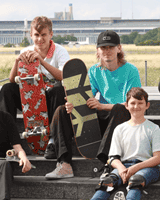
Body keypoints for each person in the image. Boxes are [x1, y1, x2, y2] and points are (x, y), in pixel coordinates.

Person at [46, 30, 142, 179]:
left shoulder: (131, 71)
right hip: (102, 118)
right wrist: (73, 107)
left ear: (119, 48)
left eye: (111, 47)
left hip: (123, 119)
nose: (107, 51)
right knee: (60, 111)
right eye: (103, 47)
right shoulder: (94, 71)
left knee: (119, 108)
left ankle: (109, 163)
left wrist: (102, 106)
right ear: (98, 50)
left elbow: (134, 104)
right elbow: (84, 98)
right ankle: (64, 164)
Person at [68, 87, 160, 200]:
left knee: (136, 180)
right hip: (124, 165)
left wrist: (135, 168)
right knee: (108, 181)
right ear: (126, 105)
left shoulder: (153, 128)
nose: (136, 106)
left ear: (147, 105)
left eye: (140, 103)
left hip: (148, 167)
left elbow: (158, 158)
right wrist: (121, 169)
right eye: (132, 103)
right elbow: (113, 157)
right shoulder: (120, 129)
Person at [0, 16, 69, 158]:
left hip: (50, 100)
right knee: (7, 89)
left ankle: (52, 141)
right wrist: (17, 60)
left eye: (44, 35)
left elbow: (63, 76)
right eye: (36, 35)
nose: (40, 39)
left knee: (58, 90)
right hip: (32, 98)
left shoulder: (60, 51)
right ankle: (3, 136)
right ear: (31, 35)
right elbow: (12, 80)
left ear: (51, 35)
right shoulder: (26, 50)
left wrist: (41, 61)